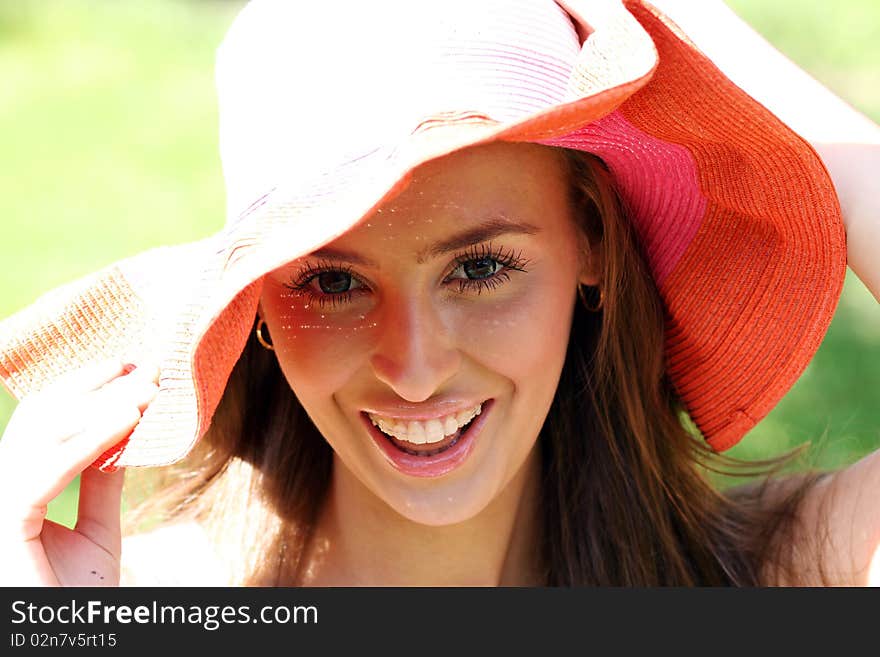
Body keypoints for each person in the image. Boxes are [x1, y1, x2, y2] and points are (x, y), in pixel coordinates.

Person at [0, 0, 877, 587]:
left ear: (593, 247)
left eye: (482, 267)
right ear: (254, 301)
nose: (414, 371)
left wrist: (669, 21)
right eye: (334, 281)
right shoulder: (135, 598)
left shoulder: (777, 569)